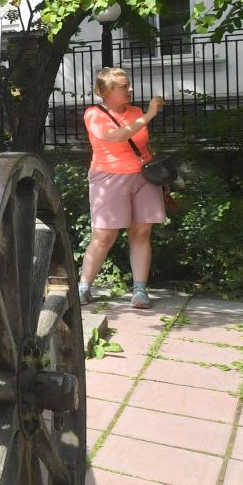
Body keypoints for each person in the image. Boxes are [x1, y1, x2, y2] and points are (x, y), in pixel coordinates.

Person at [78, 66, 166, 308]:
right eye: (123, 86)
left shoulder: (135, 111)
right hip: (109, 178)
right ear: (105, 92)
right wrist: (148, 115)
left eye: (128, 85)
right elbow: (115, 136)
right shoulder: (94, 114)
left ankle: (139, 290)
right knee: (104, 235)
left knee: (141, 233)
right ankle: (84, 287)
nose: (130, 89)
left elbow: (139, 141)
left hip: (143, 177)